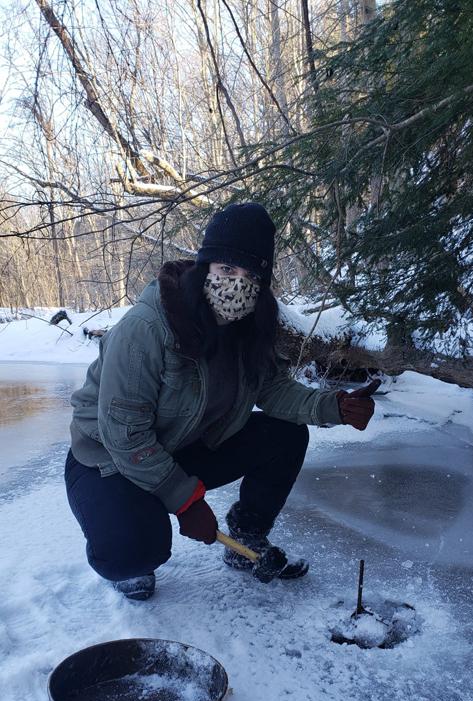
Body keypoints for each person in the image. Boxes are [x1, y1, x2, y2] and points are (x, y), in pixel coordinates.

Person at [64, 202, 380, 600]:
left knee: (284, 435)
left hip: (183, 444)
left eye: (251, 276)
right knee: (137, 550)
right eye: (227, 270)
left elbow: (273, 389)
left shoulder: (249, 327)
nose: (237, 285)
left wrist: (334, 407)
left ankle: (247, 538)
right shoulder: (146, 329)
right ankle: (128, 559)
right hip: (107, 460)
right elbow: (125, 436)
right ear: (204, 268)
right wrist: (185, 499)